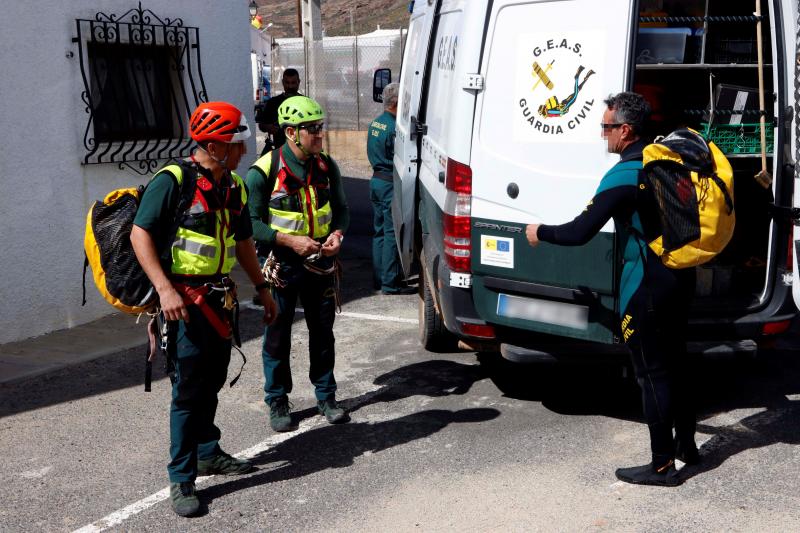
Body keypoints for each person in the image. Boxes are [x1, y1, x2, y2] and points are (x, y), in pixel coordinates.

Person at [525, 92, 698, 487]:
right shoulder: (667, 161)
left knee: (651, 373)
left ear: (625, 130)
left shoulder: (623, 175)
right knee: (676, 364)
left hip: (648, 287)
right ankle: (686, 445)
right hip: (679, 278)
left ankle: (661, 467)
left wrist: (540, 233)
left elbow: (579, 231)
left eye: (606, 127)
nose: (602, 135)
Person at [131, 101, 278, 517]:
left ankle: (208, 452)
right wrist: (164, 290)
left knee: (212, 379)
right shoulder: (172, 181)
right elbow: (140, 235)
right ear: (213, 146)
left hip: (219, 299)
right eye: (236, 144)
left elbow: (244, 241)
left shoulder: (234, 185)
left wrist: (263, 289)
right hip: (183, 303)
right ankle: (181, 478)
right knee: (187, 390)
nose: (243, 152)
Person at [245, 95, 351, 432]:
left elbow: (343, 210)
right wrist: (289, 240)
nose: (320, 135)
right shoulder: (263, 172)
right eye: (313, 129)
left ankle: (326, 395)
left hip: (320, 262)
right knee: (277, 335)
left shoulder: (326, 165)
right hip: (281, 265)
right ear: (291, 133)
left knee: (323, 333)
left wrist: (337, 234)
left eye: (321, 127)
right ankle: (277, 400)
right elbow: (249, 226)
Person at [367, 82, 415, 295]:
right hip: (388, 183)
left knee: (378, 232)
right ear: (395, 103)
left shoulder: (375, 124)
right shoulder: (395, 128)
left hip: (376, 181)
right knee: (391, 233)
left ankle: (379, 277)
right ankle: (390, 282)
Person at [255, 68, 301, 156]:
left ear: (299, 82)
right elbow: (262, 125)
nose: (290, 86)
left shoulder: (305, 102)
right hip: (280, 151)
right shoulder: (273, 103)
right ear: (283, 82)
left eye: (293, 83)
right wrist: (268, 127)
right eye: (287, 83)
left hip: (302, 152)